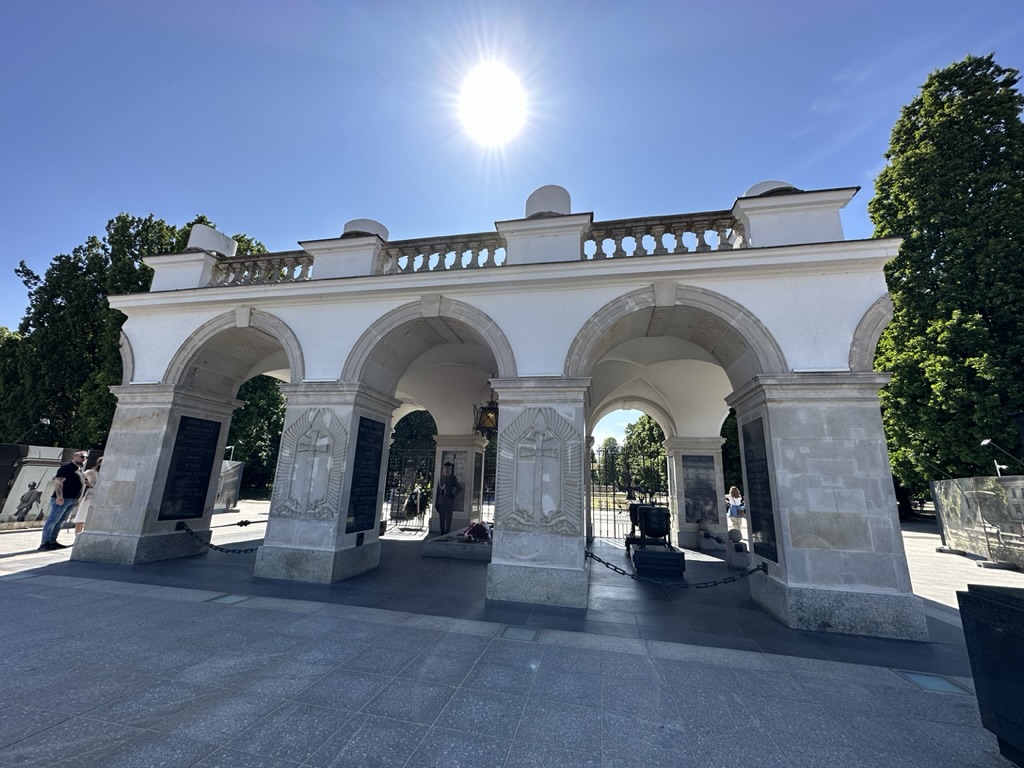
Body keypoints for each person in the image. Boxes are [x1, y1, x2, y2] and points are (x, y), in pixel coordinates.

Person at [39, 451, 88, 551]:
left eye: (85, 457)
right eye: (82, 457)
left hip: (72, 499)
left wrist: (76, 499)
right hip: (63, 499)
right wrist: (59, 497)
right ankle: (44, 543)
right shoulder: (66, 468)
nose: (83, 459)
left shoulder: (80, 469)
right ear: (74, 456)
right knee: (52, 521)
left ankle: (52, 541)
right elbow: (58, 482)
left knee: (60, 521)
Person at [74, 456, 103, 535]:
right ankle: (77, 535)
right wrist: (88, 484)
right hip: (90, 496)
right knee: (82, 516)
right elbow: (81, 476)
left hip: (100, 497)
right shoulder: (92, 472)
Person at [435, 461, 462, 535]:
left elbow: (459, 488)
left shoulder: (453, 478)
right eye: (445, 468)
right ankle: (442, 533)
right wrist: (436, 503)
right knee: (441, 519)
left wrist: (453, 495)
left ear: (450, 469)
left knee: (448, 519)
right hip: (441, 502)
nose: (446, 469)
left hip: (449, 502)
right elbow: (438, 491)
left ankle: (447, 534)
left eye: (448, 468)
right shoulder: (442, 478)